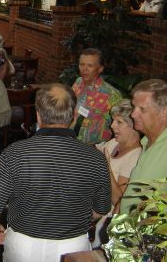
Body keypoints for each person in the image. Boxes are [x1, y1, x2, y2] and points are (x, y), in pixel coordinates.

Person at [0, 83, 111, 262]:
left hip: (24, 247)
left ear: (38, 116)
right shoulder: (96, 157)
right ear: (73, 117)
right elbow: (100, 209)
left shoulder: (15, 153)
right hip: (74, 248)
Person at [91, 99, 141, 247]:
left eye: (119, 122)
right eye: (113, 121)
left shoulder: (135, 156)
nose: (112, 126)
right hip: (93, 204)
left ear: (134, 126)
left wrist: (105, 166)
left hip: (107, 218)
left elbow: (119, 200)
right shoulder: (114, 143)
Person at [120, 79, 167, 214]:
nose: (133, 114)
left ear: (164, 112)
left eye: (142, 109)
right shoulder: (146, 141)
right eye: (134, 107)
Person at [71, 48, 122, 144]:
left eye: (90, 65)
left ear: (100, 68)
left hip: (94, 149)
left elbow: (121, 127)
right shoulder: (77, 83)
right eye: (81, 64)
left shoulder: (112, 95)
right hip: (71, 142)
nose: (84, 69)